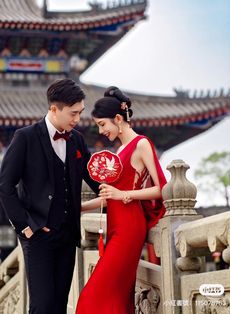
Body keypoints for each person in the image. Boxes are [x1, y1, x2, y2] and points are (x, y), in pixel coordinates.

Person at [0, 78, 99, 314]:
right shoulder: (25, 137)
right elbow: (5, 185)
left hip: (68, 234)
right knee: (41, 305)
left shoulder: (77, 140)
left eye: (80, 113)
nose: (77, 119)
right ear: (54, 109)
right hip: (37, 235)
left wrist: (123, 192)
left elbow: (94, 179)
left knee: (58, 305)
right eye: (73, 113)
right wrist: (24, 226)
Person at [76, 86, 167, 314]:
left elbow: (161, 189)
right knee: (117, 296)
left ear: (118, 118)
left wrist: (124, 194)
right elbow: (109, 197)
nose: (101, 131)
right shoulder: (120, 151)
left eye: (102, 124)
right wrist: (78, 208)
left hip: (129, 228)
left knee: (91, 297)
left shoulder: (141, 144)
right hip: (115, 227)